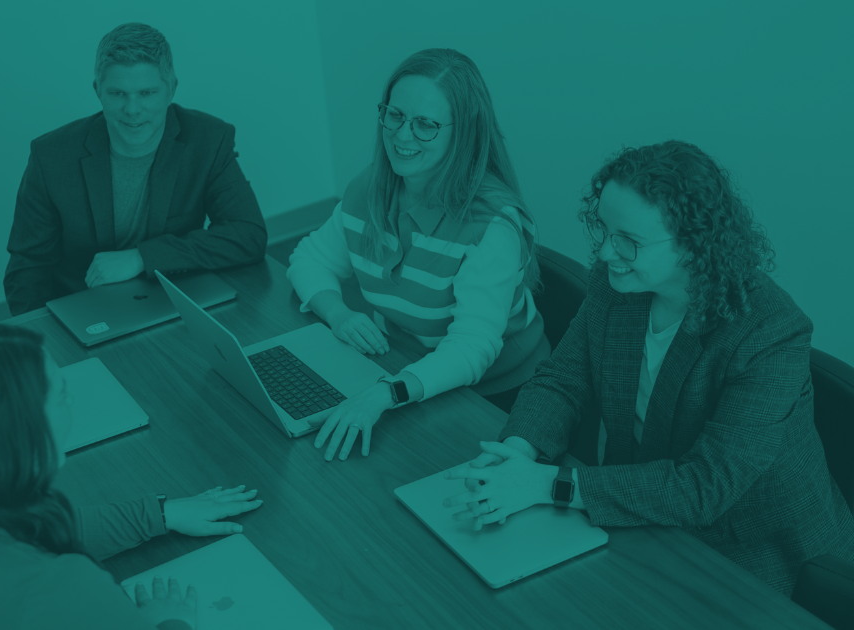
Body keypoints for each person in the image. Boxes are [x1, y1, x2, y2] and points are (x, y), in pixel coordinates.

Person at [443, 140, 854, 595]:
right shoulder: (615, 281)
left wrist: (548, 485)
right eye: (602, 229)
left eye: (630, 242)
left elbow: (704, 486)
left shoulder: (771, 332)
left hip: (759, 556)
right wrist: (515, 457)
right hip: (641, 514)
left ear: (695, 245)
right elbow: (563, 380)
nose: (604, 254)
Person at [0, 324, 264, 629]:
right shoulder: (63, 586)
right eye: (61, 394)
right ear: (18, 433)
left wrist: (160, 513)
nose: (73, 399)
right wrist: (169, 623)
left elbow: (29, 531)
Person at [287, 48, 548, 462]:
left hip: (497, 393)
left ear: (464, 133)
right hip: (405, 364)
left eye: (425, 124)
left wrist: (385, 394)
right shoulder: (369, 186)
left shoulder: (492, 225)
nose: (402, 135)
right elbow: (308, 259)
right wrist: (338, 313)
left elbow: (472, 348)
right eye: (395, 115)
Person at [3, 22, 268, 315]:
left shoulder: (209, 140)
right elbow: (27, 268)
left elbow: (248, 235)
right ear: (98, 91)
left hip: (174, 298)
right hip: (84, 309)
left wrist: (142, 257)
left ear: (171, 90)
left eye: (146, 93)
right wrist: (45, 345)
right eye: (118, 94)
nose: (132, 110)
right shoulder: (50, 155)